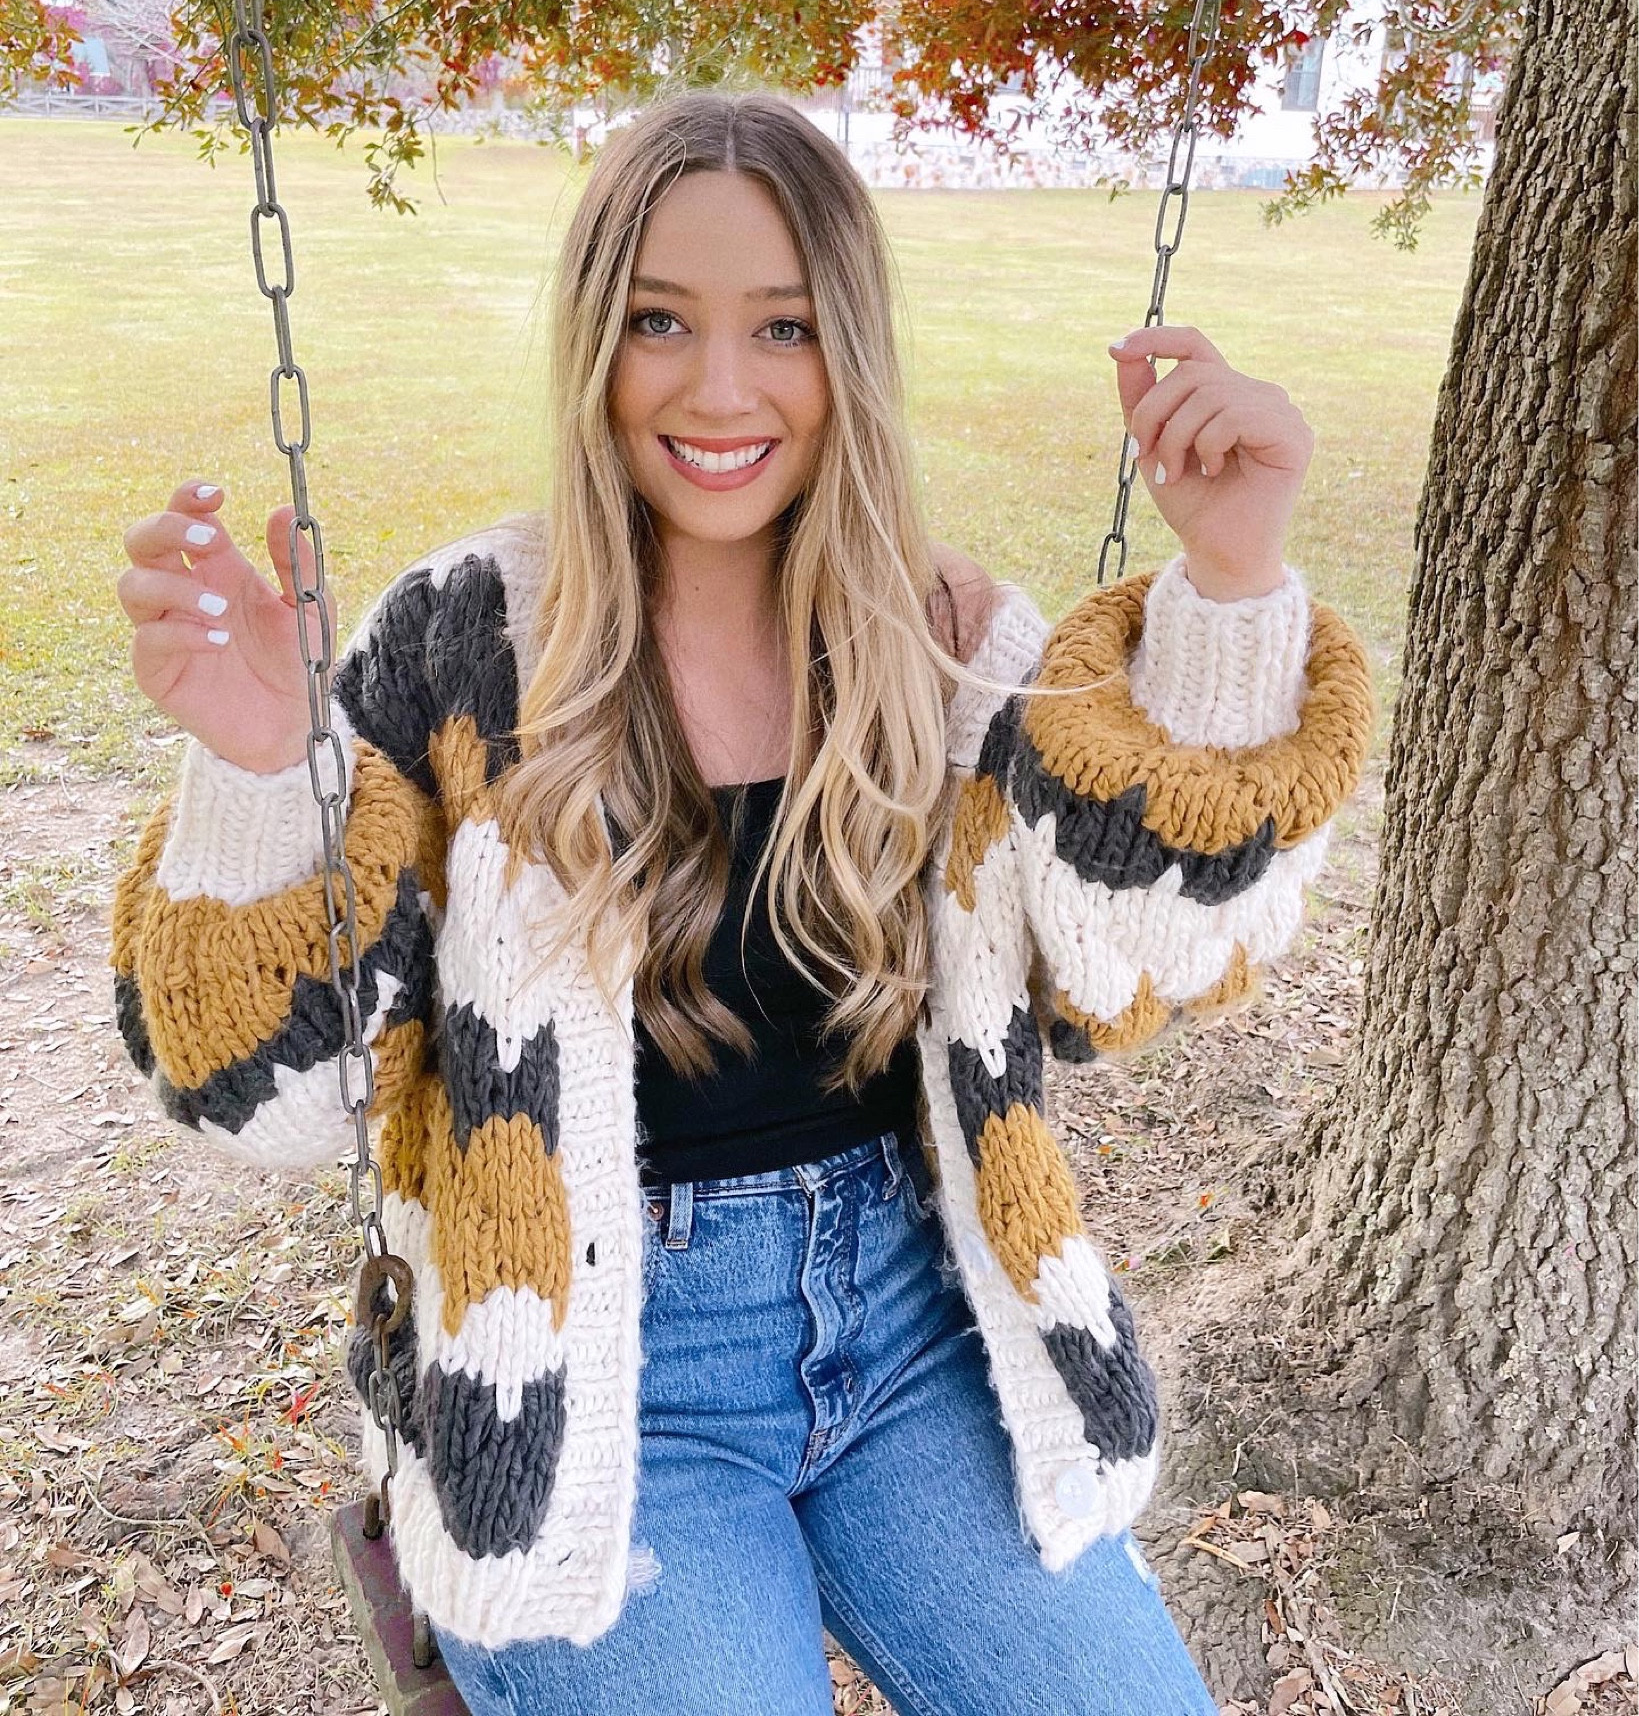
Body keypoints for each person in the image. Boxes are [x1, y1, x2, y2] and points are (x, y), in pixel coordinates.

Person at [110, 90, 1373, 1715]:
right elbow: (275, 1107)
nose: (720, 389)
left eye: (780, 326)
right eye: (659, 321)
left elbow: (1128, 975)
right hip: (580, 1384)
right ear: (594, 343)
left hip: (926, 1334)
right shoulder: (460, 648)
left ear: (845, 347)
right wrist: (260, 773)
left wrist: (1232, 590)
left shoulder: (955, 646)